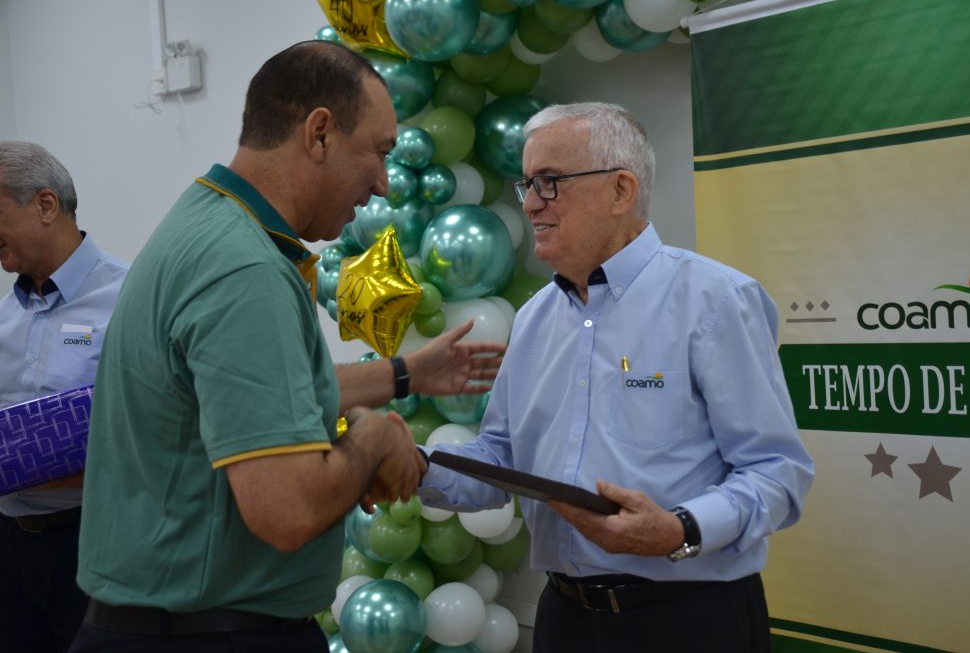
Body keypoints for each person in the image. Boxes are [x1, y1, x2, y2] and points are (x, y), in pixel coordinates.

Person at [70, 41, 503, 653]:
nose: (382, 184)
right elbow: (287, 511)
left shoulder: (208, 226)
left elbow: (254, 392)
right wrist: (376, 436)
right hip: (210, 631)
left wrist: (405, 373)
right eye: (377, 153)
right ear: (319, 133)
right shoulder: (243, 269)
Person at [419, 102, 815, 652]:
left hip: (689, 621)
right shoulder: (534, 319)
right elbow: (502, 457)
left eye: (550, 182)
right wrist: (417, 469)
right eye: (527, 184)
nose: (531, 204)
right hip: (565, 619)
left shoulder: (716, 301)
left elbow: (777, 473)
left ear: (621, 190)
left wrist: (680, 529)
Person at [0, 141, 129, 653]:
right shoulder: (4, 317)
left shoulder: (130, 298)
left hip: (90, 542)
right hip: (8, 547)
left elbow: (153, 426)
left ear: (46, 205)